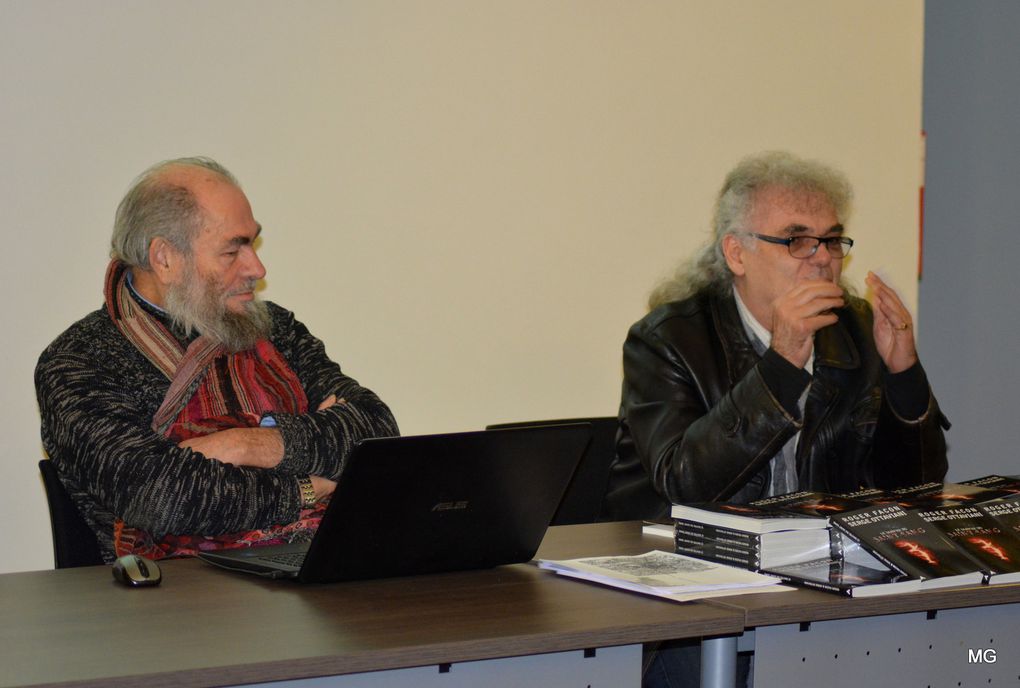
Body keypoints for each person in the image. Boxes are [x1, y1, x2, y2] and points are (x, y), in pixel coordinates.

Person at [605, 151, 950, 687]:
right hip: (689, 605)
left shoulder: (856, 330)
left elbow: (915, 488)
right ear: (736, 254)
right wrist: (783, 365)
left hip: (817, 594)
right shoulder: (668, 340)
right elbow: (684, 484)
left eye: (832, 240)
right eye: (796, 240)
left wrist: (903, 373)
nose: (821, 259)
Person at [35, 157, 398, 562]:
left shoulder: (274, 328)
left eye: (252, 242)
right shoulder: (79, 362)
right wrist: (307, 487)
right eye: (232, 250)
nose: (257, 268)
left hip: (315, 573)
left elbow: (376, 431)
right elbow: (163, 496)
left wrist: (242, 444)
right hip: (173, 606)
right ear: (165, 259)